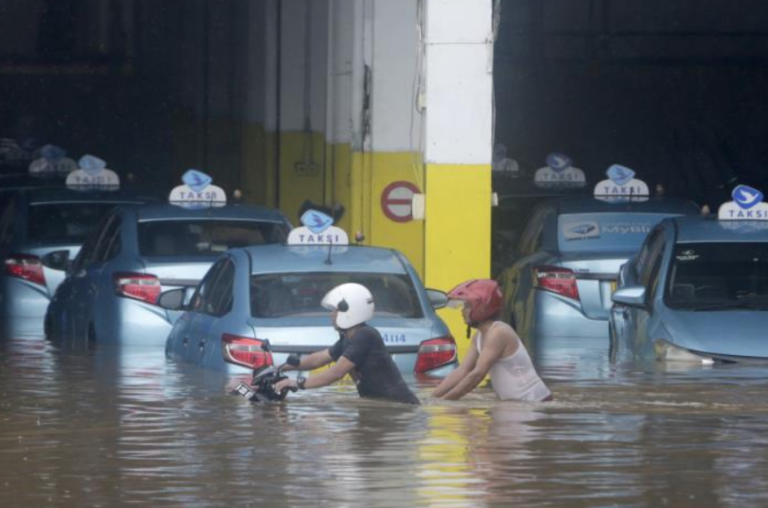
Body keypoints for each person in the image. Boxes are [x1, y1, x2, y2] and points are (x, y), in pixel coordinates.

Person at [272, 283, 420, 405]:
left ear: (350, 311)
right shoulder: (348, 338)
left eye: (335, 310)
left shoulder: (365, 335)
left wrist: (296, 383)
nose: (331, 314)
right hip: (382, 405)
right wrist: (281, 367)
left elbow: (336, 373)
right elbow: (317, 360)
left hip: (398, 407)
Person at [432, 279, 552, 402]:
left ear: (482, 306)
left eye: (467, 306)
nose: (462, 311)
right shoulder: (479, 336)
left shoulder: (499, 332)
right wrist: (432, 398)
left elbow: (477, 374)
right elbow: (463, 370)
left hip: (533, 403)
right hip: (516, 405)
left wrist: (446, 401)